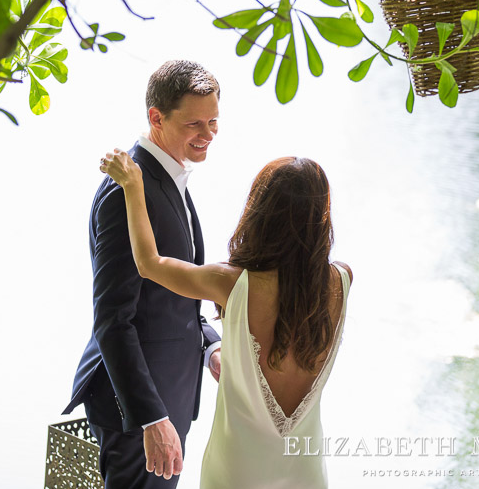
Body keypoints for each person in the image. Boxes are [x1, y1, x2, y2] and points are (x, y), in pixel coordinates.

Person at [100, 151, 353, 489]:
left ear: (262, 213)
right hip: (305, 471)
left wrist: (133, 187)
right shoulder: (343, 280)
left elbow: (148, 263)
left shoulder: (232, 283)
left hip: (237, 470)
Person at [64, 60, 223, 488]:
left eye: (213, 122)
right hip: (136, 413)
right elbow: (113, 319)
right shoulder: (126, 190)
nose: (208, 136)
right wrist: (151, 417)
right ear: (156, 117)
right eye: (194, 124)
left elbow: (172, 297)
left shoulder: (165, 177)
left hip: (168, 395)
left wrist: (210, 347)